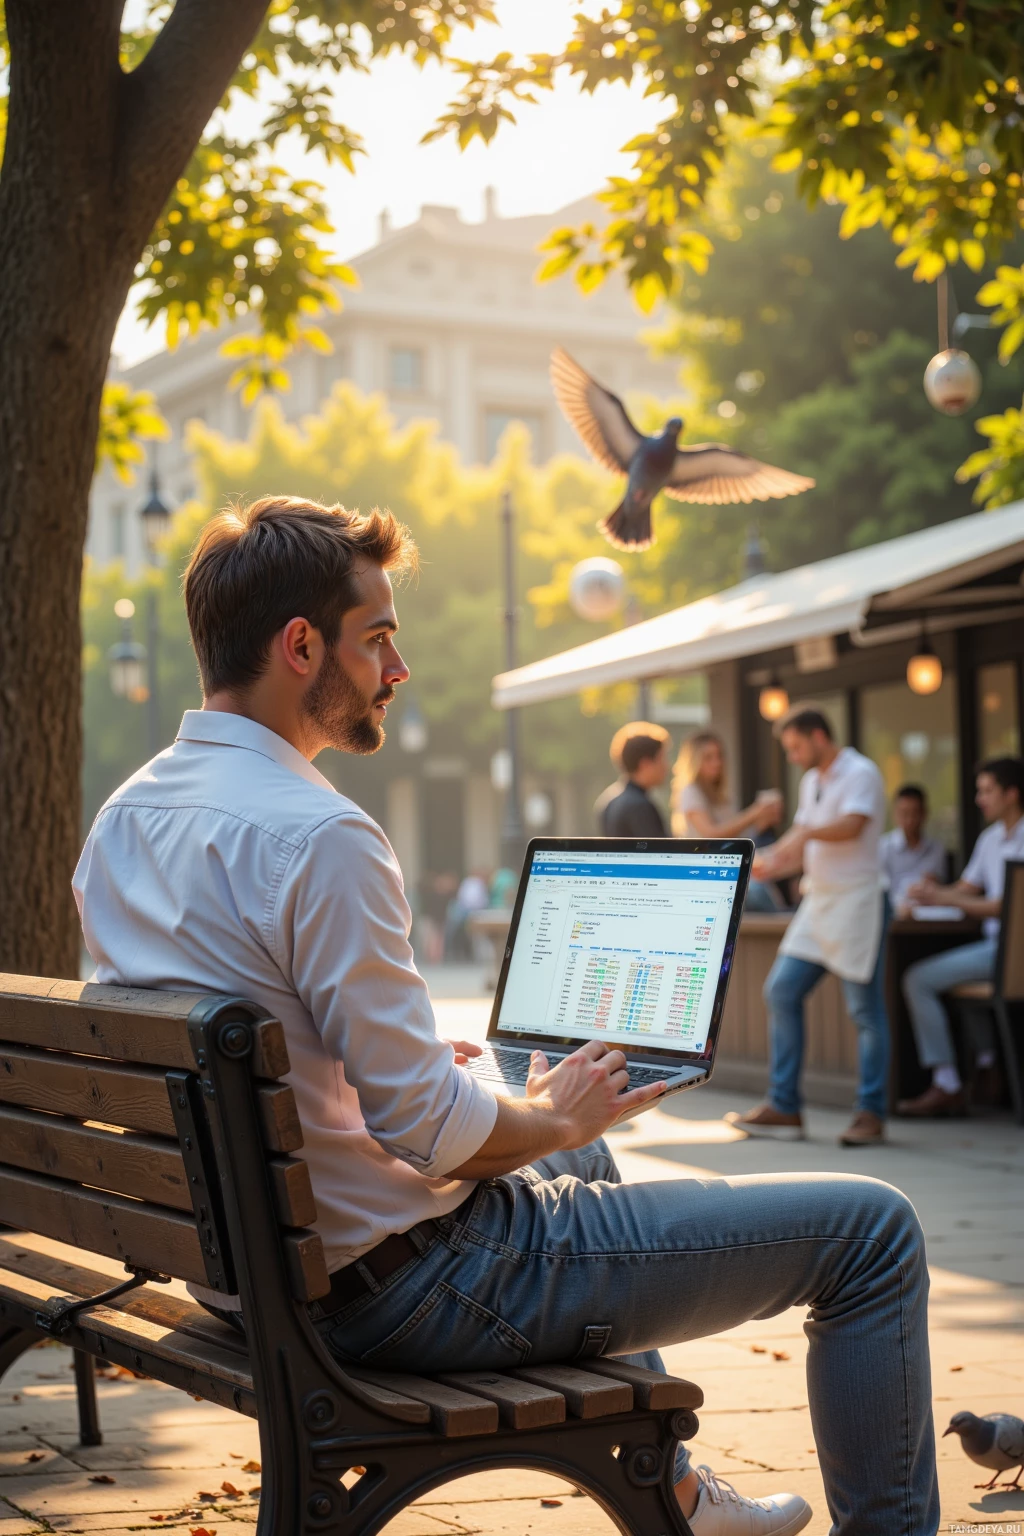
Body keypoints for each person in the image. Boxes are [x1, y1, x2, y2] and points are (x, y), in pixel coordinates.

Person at [74, 498, 937, 1536]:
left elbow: (244, 1035)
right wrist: (559, 1117)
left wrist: (404, 1085)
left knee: (574, 1165)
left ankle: (674, 1492)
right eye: (379, 638)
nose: (399, 670)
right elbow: (432, 1136)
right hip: (407, 1291)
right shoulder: (319, 836)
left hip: (245, 1278)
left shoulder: (121, 822)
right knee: (874, 1232)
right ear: (301, 646)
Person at [730, 708, 891, 1148]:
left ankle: (871, 1112)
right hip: (818, 902)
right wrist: (771, 863)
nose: (794, 756)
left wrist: (800, 839)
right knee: (780, 991)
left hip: (859, 900)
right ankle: (784, 1106)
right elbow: (801, 842)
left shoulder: (862, 772)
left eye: (797, 746)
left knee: (864, 1012)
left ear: (820, 735)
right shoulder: (812, 781)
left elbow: (851, 826)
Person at [897, 756, 1024, 1118]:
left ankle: (948, 1083)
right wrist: (931, 891)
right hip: (992, 952)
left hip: (1007, 953)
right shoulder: (990, 838)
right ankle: (985, 1066)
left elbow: (1009, 906)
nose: (979, 799)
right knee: (951, 979)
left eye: (987, 791)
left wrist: (945, 897)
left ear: (1011, 794)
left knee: (917, 979)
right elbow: (967, 889)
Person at [671, 730, 786, 910]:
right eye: (708, 757)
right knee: (760, 895)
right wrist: (754, 813)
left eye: (718, 756)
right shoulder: (690, 792)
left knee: (771, 884)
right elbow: (711, 835)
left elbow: (737, 835)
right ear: (695, 760)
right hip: (706, 874)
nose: (716, 763)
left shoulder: (720, 795)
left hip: (728, 869)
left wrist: (764, 820)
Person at [879, 784, 947, 913]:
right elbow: (882, 890)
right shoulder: (883, 847)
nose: (910, 820)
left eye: (914, 813)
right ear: (895, 814)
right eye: (904, 813)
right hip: (894, 917)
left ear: (924, 814)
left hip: (927, 917)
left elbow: (936, 887)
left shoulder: (936, 849)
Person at [595, 721, 670, 837]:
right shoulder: (640, 806)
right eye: (661, 759)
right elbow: (660, 853)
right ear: (645, 764)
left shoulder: (608, 799)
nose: (666, 767)